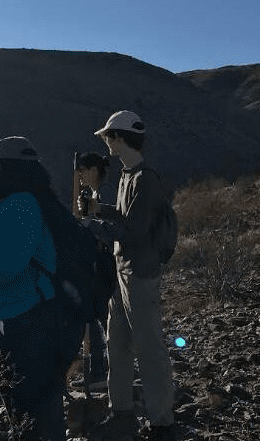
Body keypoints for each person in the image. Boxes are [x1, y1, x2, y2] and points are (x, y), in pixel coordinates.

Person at [0, 136, 84, 441]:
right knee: (43, 405)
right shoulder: (35, 201)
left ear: (2, 170)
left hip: (22, 320)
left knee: (27, 408)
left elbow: (3, 264)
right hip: (39, 315)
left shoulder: (17, 206)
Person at [87, 111, 178, 441]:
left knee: (149, 348)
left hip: (139, 274)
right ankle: (122, 413)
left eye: (108, 137)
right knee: (118, 345)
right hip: (124, 272)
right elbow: (128, 218)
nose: (106, 143)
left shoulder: (144, 179)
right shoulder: (130, 175)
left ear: (118, 138)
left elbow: (133, 232)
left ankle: (162, 423)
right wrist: (101, 211)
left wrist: (92, 225)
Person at [74, 152, 114, 389]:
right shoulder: (96, 195)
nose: (80, 176)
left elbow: (112, 228)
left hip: (106, 264)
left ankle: (105, 371)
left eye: (83, 170)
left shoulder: (105, 194)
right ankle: (104, 369)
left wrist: (89, 222)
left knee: (103, 318)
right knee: (100, 317)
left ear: (94, 170)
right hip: (100, 264)